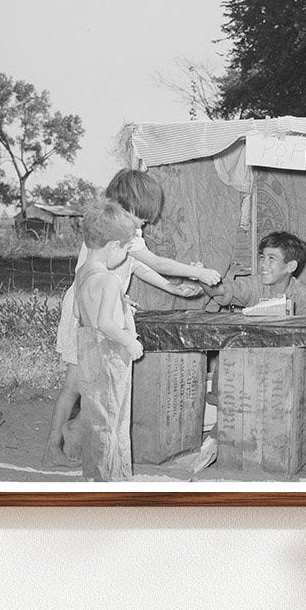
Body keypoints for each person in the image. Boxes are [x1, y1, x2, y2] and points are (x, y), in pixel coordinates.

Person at [44, 169, 222, 466]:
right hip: (85, 310)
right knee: (76, 384)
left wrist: (170, 286)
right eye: (143, 216)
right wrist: (197, 272)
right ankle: (55, 446)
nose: (145, 223)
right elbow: (154, 261)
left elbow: (138, 265)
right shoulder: (112, 229)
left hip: (100, 306)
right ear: (130, 206)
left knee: (97, 383)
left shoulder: (124, 231)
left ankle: (77, 438)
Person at [73, 201, 145, 481]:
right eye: (125, 250)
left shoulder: (83, 273)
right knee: (114, 418)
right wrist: (129, 341)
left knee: (96, 416)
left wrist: (122, 306)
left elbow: (85, 313)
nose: (125, 256)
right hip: (109, 354)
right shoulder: (111, 279)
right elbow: (105, 323)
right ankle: (112, 480)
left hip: (87, 350)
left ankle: (94, 475)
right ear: (113, 245)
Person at [206, 231, 306, 315]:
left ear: (291, 266)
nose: (263, 264)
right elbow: (220, 290)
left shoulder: (303, 295)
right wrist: (200, 276)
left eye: (271, 258)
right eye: (263, 257)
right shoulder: (254, 285)